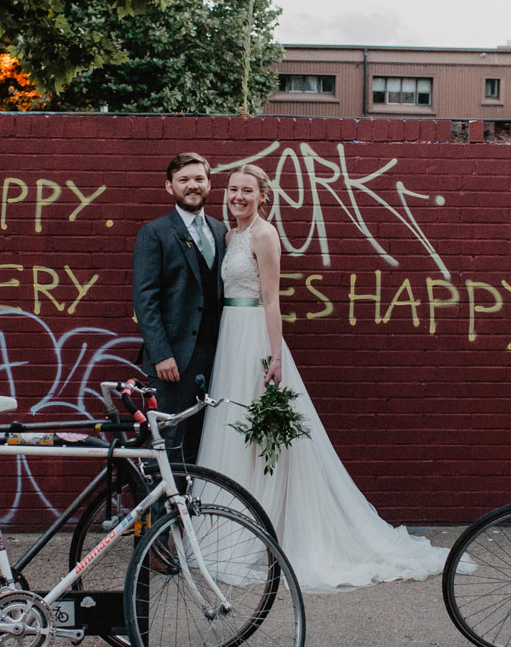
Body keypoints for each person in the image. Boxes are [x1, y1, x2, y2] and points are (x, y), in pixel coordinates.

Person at [197, 164, 447, 591]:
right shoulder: (228, 235)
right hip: (228, 340)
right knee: (232, 431)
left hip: (254, 338)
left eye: (246, 191)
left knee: (262, 435)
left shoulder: (263, 234)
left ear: (262, 196)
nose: (237, 196)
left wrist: (274, 357)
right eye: (233, 189)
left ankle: (266, 526)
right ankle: (226, 523)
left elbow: (272, 299)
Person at [132, 152, 227, 465]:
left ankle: (192, 514)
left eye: (199, 179)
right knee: (165, 442)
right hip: (173, 360)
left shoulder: (221, 231)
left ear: (209, 184)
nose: (192, 186)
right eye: (184, 180)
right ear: (169, 187)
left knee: (203, 443)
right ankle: (157, 514)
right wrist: (161, 354)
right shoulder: (155, 232)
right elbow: (145, 298)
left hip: (217, 357)